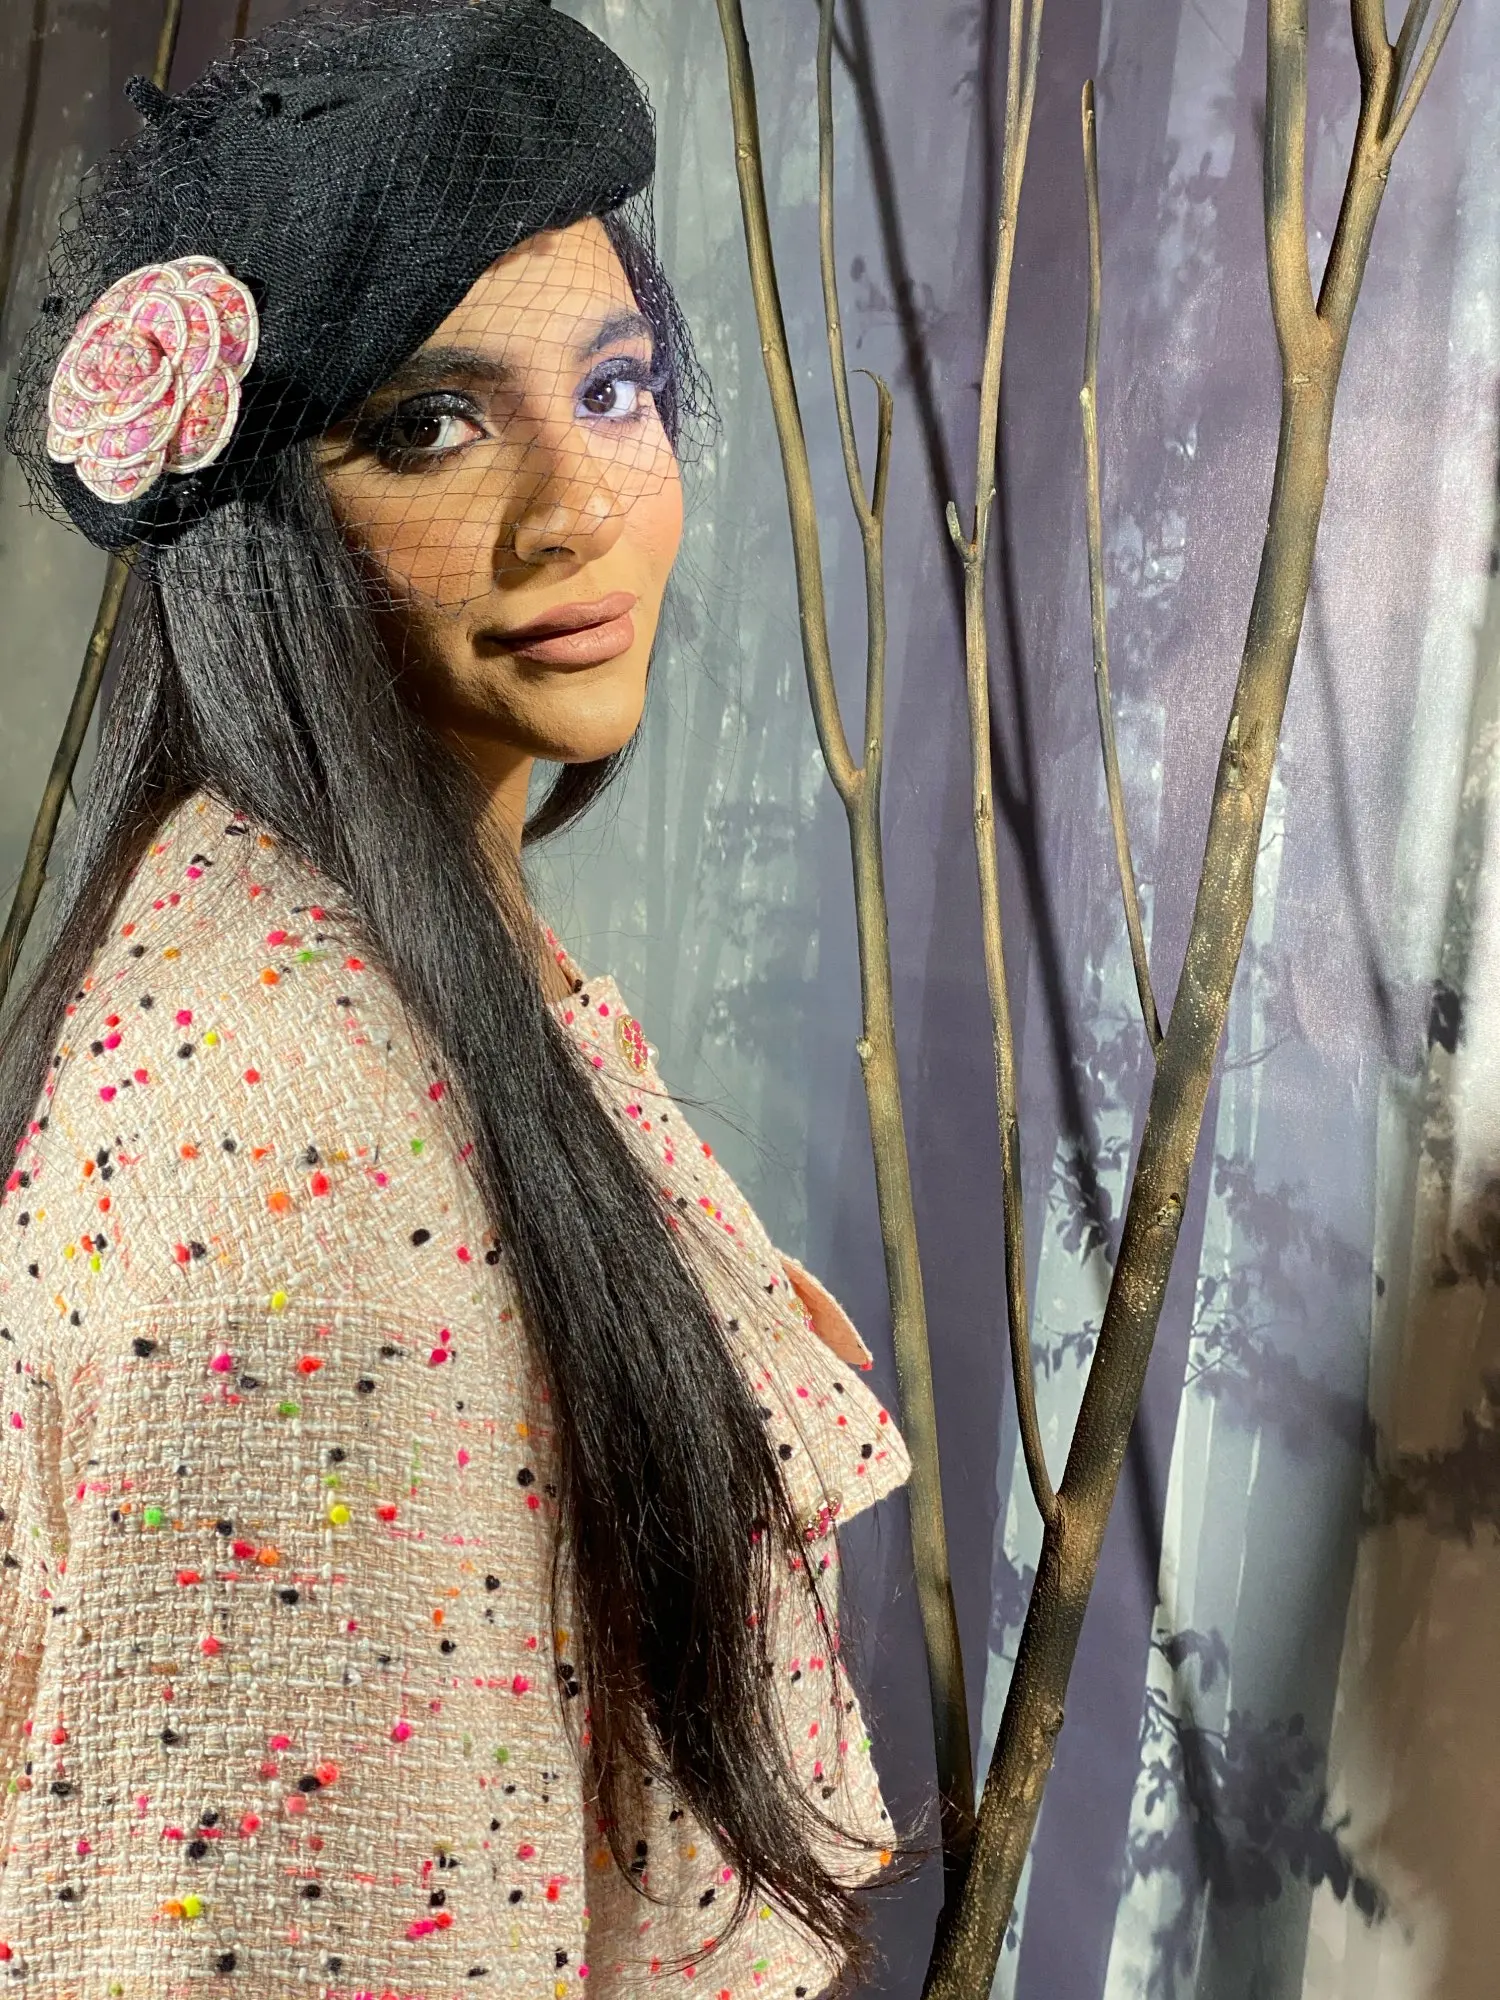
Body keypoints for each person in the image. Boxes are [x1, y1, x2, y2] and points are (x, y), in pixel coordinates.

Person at [0, 2, 918, 1995]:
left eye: (615, 385)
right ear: (259, 527)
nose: (580, 505)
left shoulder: (376, 941)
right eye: (429, 424)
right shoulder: (299, 1167)